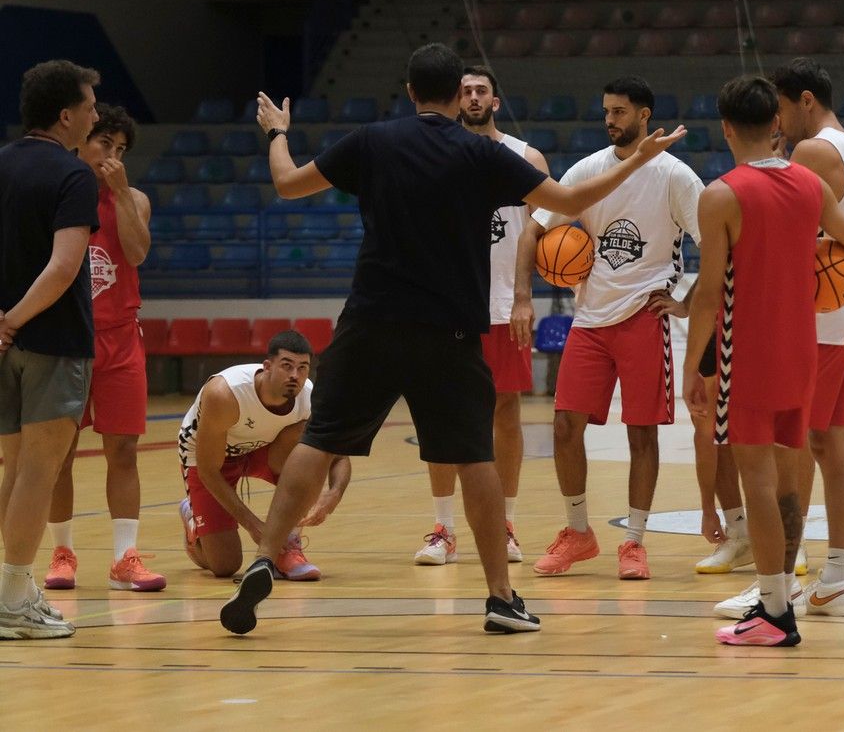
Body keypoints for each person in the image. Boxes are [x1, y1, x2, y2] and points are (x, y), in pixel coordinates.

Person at [220, 43, 685, 636]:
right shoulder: (481, 153)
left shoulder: (372, 140)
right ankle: (501, 598)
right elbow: (568, 201)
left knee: (319, 442)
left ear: (410, 91)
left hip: (370, 322)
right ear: (456, 97)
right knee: (474, 457)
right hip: (448, 329)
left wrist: (278, 133)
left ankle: (266, 556)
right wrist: (637, 159)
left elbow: (286, 184)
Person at [686, 74, 844, 647]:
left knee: (760, 483)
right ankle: (780, 602)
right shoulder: (809, 185)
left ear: (725, 128)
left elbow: (708, 294)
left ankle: (774, 613)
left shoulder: (721, 194)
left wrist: (694, 367)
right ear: (775, 122)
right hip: (801, 352)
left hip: (747, 354)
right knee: (788, 482)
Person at [715, 59, 844, 621]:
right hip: (843, 330)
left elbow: (778, 230)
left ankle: (781, 586)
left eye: (779, 108)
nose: (775, 121)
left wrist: (831, 295)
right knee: (832, 445)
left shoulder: (812, 153)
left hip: (808, 330)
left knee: (788, 454)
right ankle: (835, 581)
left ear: (804, 100)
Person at [524, 76, 703, 581]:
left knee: (641, 434)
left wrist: (686, 303)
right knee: (564, 427)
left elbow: (718, 241)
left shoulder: (675, 176)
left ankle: (634, 541)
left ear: (644, 115)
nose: (610, 120)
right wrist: (526, 288)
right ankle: (578, 532)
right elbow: (535, 227)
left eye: (620, 111)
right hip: (590, 318)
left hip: (645, 316)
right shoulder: (588, 169)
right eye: (606, 111)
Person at [413, 66, 548, 568]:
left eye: (481, 91)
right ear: (455, 98)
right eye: (465, 90)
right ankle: (443, 529)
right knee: (443, 413)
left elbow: (538, 231)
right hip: (448, 304)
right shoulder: (437, 153)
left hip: (505, 306)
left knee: (505, 412)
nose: (472, 97)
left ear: (495, 101)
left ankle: (506, 525)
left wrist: (524, 297)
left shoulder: (525, 157)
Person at [41, 105, 164, 593]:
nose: (112, 155)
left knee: (124, 451)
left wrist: (121, 194)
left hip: (120, 338)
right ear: (81, 142)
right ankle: (62, 553)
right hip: (67, 337)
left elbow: (136, 252)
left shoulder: (134, 199)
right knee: (59, 452)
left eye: (121, 149)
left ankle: (124, 558)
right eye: (104, 144)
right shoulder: (56, 194)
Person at [0, 59, 102, 639]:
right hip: (53, 340)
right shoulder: (73, 175)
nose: (95, 116)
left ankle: (11, 588)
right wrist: (15, 319)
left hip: (3, 345)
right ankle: (14, 599)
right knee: (39, 472)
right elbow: (64, 268)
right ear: (65, 116)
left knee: (14, 471)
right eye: (89, 107)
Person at [178, 332, 347, 580]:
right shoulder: (224, 393)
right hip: (212, 458)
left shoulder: (310, 398)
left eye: (302, 368)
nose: (295, 375)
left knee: (309, 448)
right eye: (287, 366)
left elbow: (338, 455)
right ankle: (194, 523)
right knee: (225, 565)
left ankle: (288, 546)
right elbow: (208, 471)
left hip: (264, 448)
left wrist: (335, 493)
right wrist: (254, 525)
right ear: (267, 366)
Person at [691, 333, 751, 574]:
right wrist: (707, 510)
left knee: (776, 442)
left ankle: (793, 540)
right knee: (717, 434)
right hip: (716, 336)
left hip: (768, 334)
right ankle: (738, 533)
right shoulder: (710, 331)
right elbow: (705, 440)